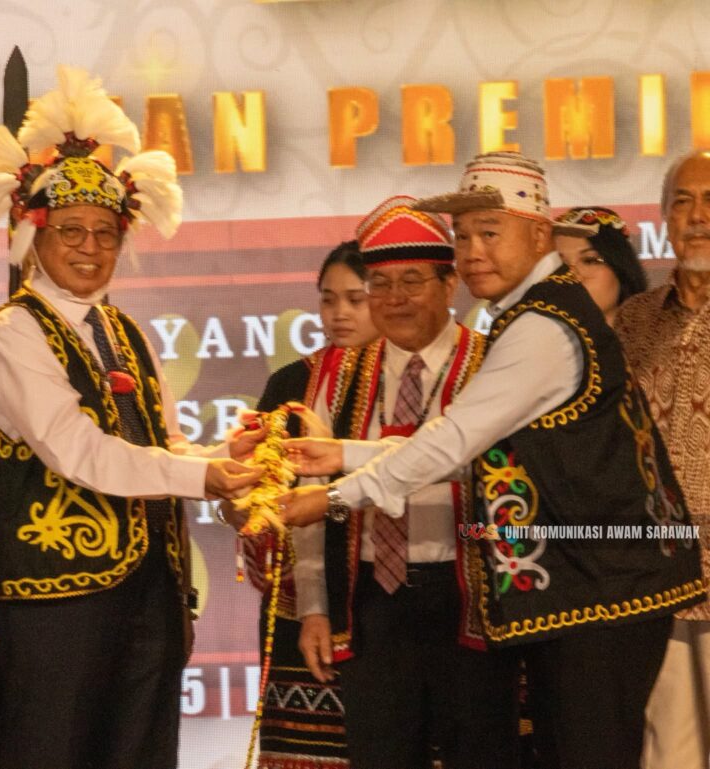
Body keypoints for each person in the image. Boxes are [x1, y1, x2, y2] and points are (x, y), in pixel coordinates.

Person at [278, 151, 704, 769]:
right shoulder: (537, 311)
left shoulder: (544, 325)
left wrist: (335, 495)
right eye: (461, 236)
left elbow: (454, 441)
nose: (472, 252)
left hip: (606, 588)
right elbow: (483, 451)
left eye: (489, 232)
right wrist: (344, 452)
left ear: (539, 234)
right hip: (596, 586)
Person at [0, 65, 262, 769]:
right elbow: (78, 451)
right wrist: (203, 477)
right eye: (71, 229)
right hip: (58, 596)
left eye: (106, 232)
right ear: (34, 233)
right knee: (55, 753)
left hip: (153, 587)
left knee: (144, 754)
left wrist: (229, 459)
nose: (90, 247)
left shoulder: (123, 329)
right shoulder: (15, 330)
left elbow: (162, 442)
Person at [292, 197, 513, 769]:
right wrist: (314, 607)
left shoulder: (495, 364)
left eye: (412, 281)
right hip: (372, 601)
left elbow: (485, 466)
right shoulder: (338, 372)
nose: (394, 299)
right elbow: (313, 496)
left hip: (473, 597)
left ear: (450, 284)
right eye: (380, 284)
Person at [230, 239, 377, 769]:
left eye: (355, 299)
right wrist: (241, 502)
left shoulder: (409, 378)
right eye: (328, 299)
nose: (340, 314)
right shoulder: (291, 383)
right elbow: (262, 496)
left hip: (382, 597)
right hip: (299, 600)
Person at [615, 150, 710, 769]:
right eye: (683, 201)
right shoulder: (633, 321)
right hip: (660, 582)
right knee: (670, 756)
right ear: (665, 219)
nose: (698, 216)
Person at [553, 206, 647, 325]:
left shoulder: (658, 334)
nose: (571, 275)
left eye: (590, 261)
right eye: (559, 263)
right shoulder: (534, 334)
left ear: (622, 270)